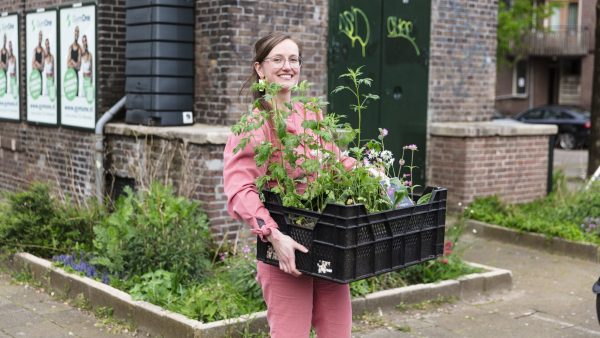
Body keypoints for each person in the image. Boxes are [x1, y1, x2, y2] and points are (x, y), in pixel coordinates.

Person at [223, 32, 355, 338]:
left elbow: (336, 164)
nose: (288, 66)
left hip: (327, 241)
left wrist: (370, 175)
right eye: (278, 59)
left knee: (338, 333)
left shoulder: (310, 116)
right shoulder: (253, 126)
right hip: (285, 250)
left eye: (293, 59)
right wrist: (273, 235)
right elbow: (240, 190)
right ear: (259, 68)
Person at [66, 26, 81, 96]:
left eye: (77, 33)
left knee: (75, 94)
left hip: (75, 75)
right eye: (75, 33)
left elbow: (78, 67)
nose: (76, 35)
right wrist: (74, 63)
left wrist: (72, 61)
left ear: (79, 35)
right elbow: (67, 64)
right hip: (70, 75)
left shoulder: (79, 48)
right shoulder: (70, 47)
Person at [31, 31, 44, 96]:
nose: (40, 38)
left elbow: (42, 67)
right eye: (39, 36)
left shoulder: (43, 51)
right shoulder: (35, 50)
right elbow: (32, 65)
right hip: (34, 75)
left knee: (39, 93)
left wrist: (36, 63)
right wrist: (38, 65)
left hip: (39, 75)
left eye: (41, 37)